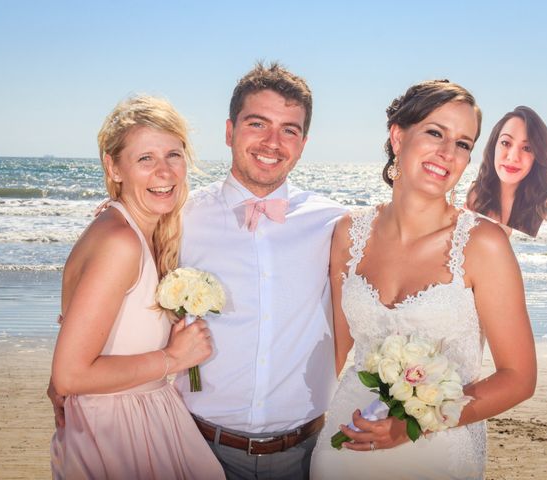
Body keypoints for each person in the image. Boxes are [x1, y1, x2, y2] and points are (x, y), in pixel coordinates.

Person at [310, 80, 537, 479]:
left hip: (436, 455)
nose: (448, 153)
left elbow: (518, 378)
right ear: (398, 137)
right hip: (345, 448)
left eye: (464, 144)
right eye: (435, 132)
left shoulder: (483, 245)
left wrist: (419, 422)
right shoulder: (349, 234)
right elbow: (338, 354)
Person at [176, 62, 346, 479]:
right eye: (258, 123)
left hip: (306, 453)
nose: (273, 142)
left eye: (289, 129)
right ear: (230, 131)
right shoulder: (177, 216)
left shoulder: (335, 223)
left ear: (303, 143)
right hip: (194, 447)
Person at [49, 95, 225, 479]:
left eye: (173, 155)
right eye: (145, 159)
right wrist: (174, 359)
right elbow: (69, 375)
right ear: (114, 167)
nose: (164, 172)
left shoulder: (135, 229)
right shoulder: (120, 243)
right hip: (117, 436)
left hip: (135, 423)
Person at [466, 106, 547, 237]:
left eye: (527, 148)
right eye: (506, 143)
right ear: (494, 146)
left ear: (537, 157)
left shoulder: (540, 209)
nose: (513, 157)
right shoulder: (476, 195)